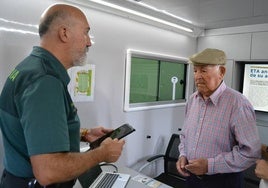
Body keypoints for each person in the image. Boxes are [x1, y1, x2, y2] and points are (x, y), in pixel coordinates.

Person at [0, 4, 125, 188]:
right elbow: (48, 172)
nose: (89, 42)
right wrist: (102, 154)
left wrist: (83, 134)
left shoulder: (30, 68)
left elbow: (33, 129)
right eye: (86, 33)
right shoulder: (44, 81)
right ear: (64, 33)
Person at [176, 48, 261, 188]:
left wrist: (210, 166)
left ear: (221, 72)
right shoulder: (192, 100)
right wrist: (182, 155)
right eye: (195, 70)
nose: (197, 76)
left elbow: (251, 152)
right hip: (191, 179)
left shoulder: (238, 103)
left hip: (223, 182)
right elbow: (185, 136)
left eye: (203, 71)